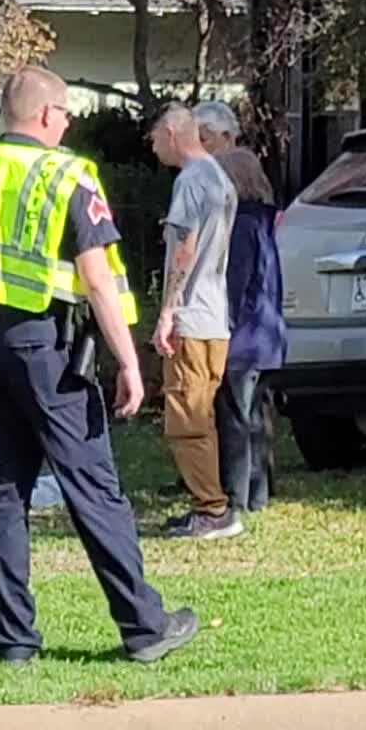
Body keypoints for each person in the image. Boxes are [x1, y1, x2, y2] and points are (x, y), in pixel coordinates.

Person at [0, 64, 197, 666]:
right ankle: (144, 625)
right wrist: (129, 361)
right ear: (47, 115)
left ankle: (13, 641)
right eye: (67, 112)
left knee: (4, 491)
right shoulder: (66, 174)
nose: (71, 122)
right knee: (94, 488)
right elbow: (98, 281)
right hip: (45, 348)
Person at [148, 103, 241, 540]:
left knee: (188, 418)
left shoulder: (189, 181)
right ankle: (211, 503)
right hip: (215, 315)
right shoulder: (220, 177)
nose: (151, 147)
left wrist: (168, 308)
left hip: (192, 316)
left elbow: (185, 246)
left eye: (153, 138)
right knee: (201, 413)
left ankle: (212, 509)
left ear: (171, 133)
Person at [194, 101, 285, 515]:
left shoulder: (242, 224)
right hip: (267, 334)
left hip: (242, 337)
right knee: (255, 418)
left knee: (235, 420)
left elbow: (236, 282)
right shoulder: (266, 221)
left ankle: (236, 497)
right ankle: (258, 495)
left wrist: (222, 324)